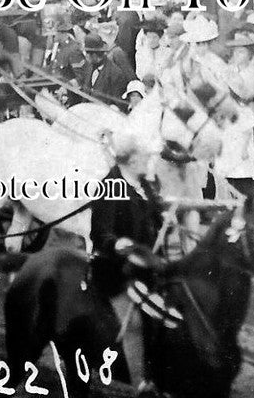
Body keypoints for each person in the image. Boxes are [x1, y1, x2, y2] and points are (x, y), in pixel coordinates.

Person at [88, 129, 164, 392]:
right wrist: (117, 243)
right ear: (131, 160)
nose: (148, 160)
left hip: (144, 265)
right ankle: (139, 384)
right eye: (144, 156)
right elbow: (100, 232)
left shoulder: (144, 185)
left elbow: (157, 218)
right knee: (133, 324)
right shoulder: (109, 186)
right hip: (115, 270)